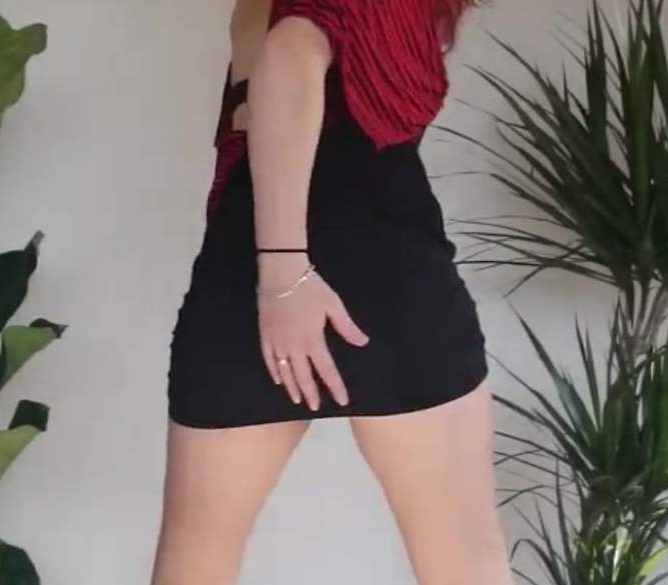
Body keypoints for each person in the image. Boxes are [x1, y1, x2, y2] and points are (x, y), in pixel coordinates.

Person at [151, 1, 514, 583]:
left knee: (198, 562)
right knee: (465, 567)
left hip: (248, 280)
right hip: (387, 279)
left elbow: (284, 53)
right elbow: (289, 52)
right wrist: (285, 276)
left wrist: (281, 279)